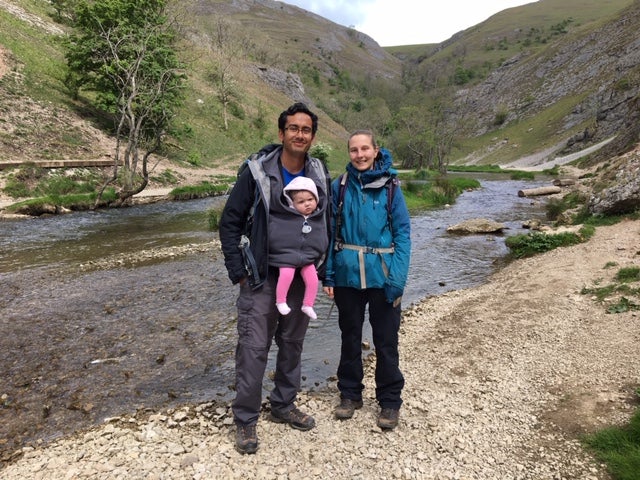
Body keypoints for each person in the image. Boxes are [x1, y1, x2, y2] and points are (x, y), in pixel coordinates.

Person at [218, 103, 331, 454]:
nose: (300, 134)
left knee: (293, 344)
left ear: (312, 136)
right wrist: (238, 271)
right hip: (261, 278)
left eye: (306, 129)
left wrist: (325, 268)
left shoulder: (319, 172)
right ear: (281, 133)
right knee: (253, 348)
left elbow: (330, 220)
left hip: (303, 276)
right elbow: (230, 223)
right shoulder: (256, 173)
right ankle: (247, 420)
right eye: (293, 128)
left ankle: (283, 404)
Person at [323, 129, 411, 430]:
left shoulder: (391, 187)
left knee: (386, 340)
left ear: (376, 151)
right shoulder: (341, 186)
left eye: (364, 149)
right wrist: (329, 275)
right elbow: (333, 234)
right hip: (347, 276)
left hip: (382, 276)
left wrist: (397, 279)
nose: (359, 155)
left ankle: (389, 401)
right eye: (353, 150)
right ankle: (350, 395)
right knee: (349, 337)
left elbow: (403, 235)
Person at [276, 175, 327, 320]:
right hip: (288, 256)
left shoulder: (317, 217)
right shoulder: (288, 217)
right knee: (286, 274)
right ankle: (280, 301)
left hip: (307, 258)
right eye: (301, 202)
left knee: (312, 279)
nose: (307, 204)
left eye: (310, 200)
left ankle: (308, 305)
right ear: (292, 204)